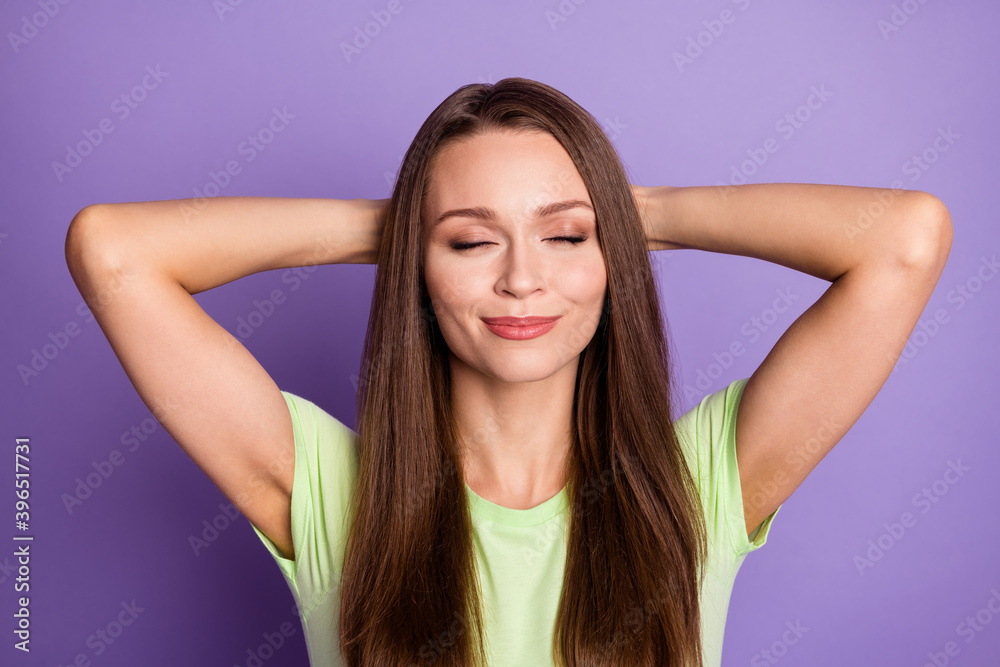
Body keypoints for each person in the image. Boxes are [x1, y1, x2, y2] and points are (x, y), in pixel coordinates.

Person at [63, 77, 952, 666]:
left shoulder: (695, 490)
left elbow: (906, 239)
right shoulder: (329, 490)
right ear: (418, 265)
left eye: (565, 236)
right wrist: (405, 226)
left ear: (612, 259)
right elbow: (113, 252)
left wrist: (629, 213)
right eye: (470, 242)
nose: (522, 278)